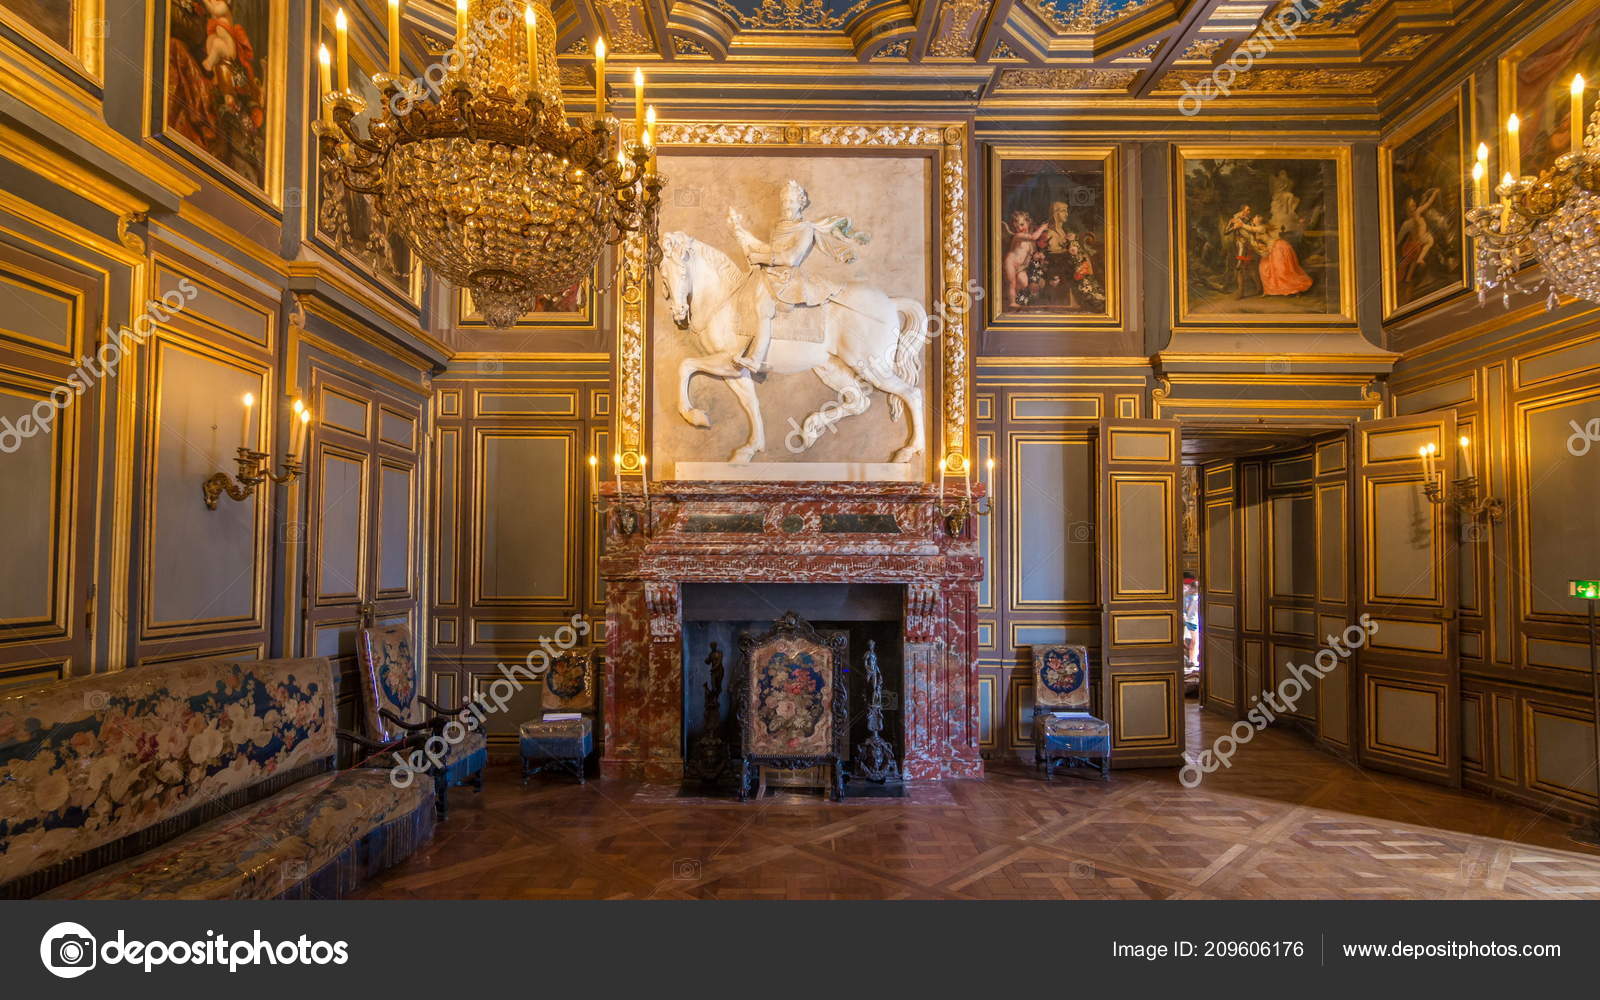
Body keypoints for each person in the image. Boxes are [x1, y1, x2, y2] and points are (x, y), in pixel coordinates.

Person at [726, 180, 869, 373]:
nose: (786, 206)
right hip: (772, 276)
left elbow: (791, 258)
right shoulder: (778, 227)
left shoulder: (805, 229)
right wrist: (741, 232)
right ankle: (742, 347)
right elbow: (771, 250)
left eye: (791, 202)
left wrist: (760, 256)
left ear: (800, 203)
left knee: (762, 307)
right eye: (784, 201)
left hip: (788, 279)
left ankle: (756, 358)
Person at [1247, 214, 1313, 296]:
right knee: (1263, 268)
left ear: (1259, 220)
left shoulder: (1261, 227)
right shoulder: (1257, 229)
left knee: (1283, 270)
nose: (1253, 218)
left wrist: (1240, 224)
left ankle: (1296, 289)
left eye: (1255, 217)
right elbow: (1252, 235)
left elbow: (1250, 229)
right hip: (1270, 249)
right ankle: (1269, 290)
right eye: (1254, 217)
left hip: (1277, 247)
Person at [1001, 210, 1051, 307]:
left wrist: (1038, 256)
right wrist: (1043, 227)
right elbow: (1033, 236)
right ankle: (1012, 302)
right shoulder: (1018, 236)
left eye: (1022, 224)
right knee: (1012, 282)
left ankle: (1013, 297)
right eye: (1016, 227)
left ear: (1028, 222)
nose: (1019, 228)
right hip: (1010, 262)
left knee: (1024, 283)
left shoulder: (1030, 241)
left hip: (1021, 267)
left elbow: (1031, 253)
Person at [1396, 187, 1441, 291]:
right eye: (1412, 206)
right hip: (1417, 243)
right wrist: (1434, 194)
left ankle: (1408, 279)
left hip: (1416, 243)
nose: (1415, 206)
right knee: (1429, 242)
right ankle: (1419, 260)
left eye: (1414, 204)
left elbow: (1425, 203)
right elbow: (1428, 203)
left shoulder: (1413, 217)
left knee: (1412, 262)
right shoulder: (1414, 217)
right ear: (1409, 209)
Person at [1223, 204, 1259, 299]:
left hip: (1249, 246)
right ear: (1242, 210)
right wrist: (1234, 227)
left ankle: (1259, 288)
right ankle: (1241, 292)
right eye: (1247, 210)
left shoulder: (1250, 221)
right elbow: (1225, 232)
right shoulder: (1234, 219)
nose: (1249, 212)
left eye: (1249, 210)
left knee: (1251, 268)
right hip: (1239, 246)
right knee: (1239, 269)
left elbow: (1255, 232)